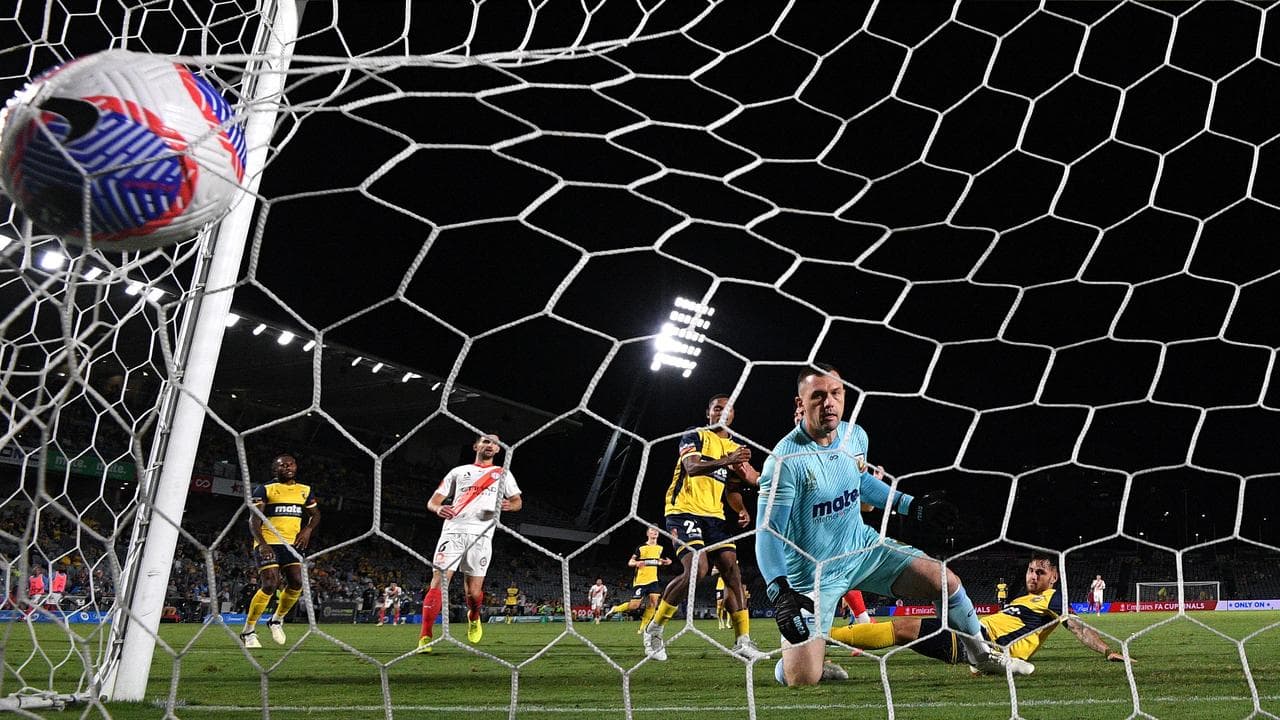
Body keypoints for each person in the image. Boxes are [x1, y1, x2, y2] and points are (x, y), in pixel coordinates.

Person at [756, 364, 1033, 686]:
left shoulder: (854, 436)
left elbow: (860, 481)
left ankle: (982, 657)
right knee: (801, 679)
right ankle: (799, 664)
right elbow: (767, 531)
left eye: (835, 393)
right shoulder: (784, 461)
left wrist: (911, 506)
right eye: (818, 396)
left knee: (943, 579)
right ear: (799, 404)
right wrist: (779, 591)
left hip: (864, 550)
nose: (829, 403)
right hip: (814, 575)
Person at [832, 554, 1132, 670]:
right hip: (976, 635)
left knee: (900, 629)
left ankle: (822, 637)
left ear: (1053, 577)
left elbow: (1077, 626)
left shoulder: (1052, 600)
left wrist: (1106, 650)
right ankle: (824, 638)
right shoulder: (1025, 599)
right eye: (1029, 570)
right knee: (908, 622)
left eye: (1040, 572)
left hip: (983, 643)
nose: (1032, 576)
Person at [643, 394, 766, 661]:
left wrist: (742, 507)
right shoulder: (694, 435)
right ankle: (655, 630)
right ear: (708, 413)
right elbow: (692, 466)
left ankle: (742, 641)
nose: (723, 413)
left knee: (732, 571)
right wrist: (727, 460)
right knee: (697, 571)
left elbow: (741, 483)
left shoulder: (734, 447)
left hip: (714, 517)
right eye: (717, 408)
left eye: (728, 409)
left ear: (733, 415)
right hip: (682, 510)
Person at [416, 434, 523, 654]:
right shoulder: (458, 472)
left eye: (494, 443)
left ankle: (474, 616)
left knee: (474, 592)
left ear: (498, 450)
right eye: (485, 441)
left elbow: (517, 501)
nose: (490, 444)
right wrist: (438, 508)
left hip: (482, 536)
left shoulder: (502, 474)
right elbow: (433, 500)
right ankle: (425, 636)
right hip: (453, 532)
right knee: (439, 582)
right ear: (476, 446)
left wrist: (511, 506)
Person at [240, 453, 319, 648]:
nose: (288, 467)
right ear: (275, 470)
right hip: (269, 542)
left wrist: (307, 530)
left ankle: (276, 620)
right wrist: (263, 543)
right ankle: (248, 631)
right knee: (270, 584)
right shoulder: (265, 489)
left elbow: (315, 514)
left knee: (297, 582)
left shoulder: (305, 490)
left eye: (290, 464)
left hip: (292, 544)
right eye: (282, 466)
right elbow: (254, 520)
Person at [604, 526, 672, 629]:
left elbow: (658, 561)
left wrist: (667, 562)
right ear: (647, 534)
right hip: (641, 581)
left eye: (657, 531)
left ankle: (643, 627)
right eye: (652, 530)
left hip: (653, 580)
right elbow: (630, 562)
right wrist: (637, 563)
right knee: (634, 606)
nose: (655, 532)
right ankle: (615, 609)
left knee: (654, 603)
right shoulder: (641, 548)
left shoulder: (660, 548)